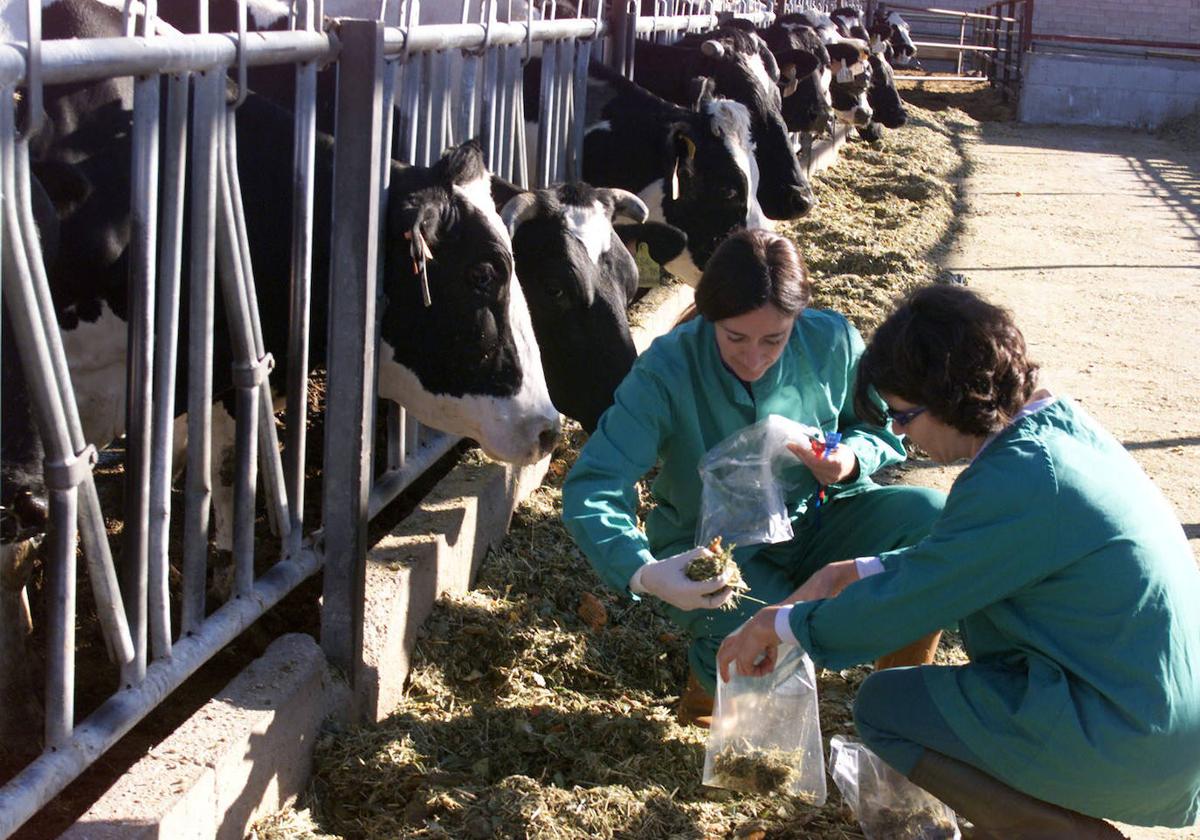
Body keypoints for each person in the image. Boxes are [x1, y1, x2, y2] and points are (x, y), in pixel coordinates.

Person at [717, 283, 1200, 837]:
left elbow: (908, 604)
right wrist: (857, 570)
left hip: (1130, 739)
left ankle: (1062, 834)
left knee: (886, 708)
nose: (899, 431)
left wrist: (779, 623)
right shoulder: (1059, 432)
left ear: (950, 396)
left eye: (903, 414)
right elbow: (962, 561)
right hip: (1154, 716)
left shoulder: (1018, 479)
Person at [561, 229, 946, 726]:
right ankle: (707, 692)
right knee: (759, 624)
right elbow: (593, 488)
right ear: (709, 317)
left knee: (933, 523)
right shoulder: (667, 368)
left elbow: (880, 424)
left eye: (775, 339)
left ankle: (898, 698)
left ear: (798, 317)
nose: (755, 357)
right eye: (735, 337)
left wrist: (847, 458)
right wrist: (643, 571)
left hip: (823, 515)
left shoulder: (831, 341)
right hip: (717, 545)